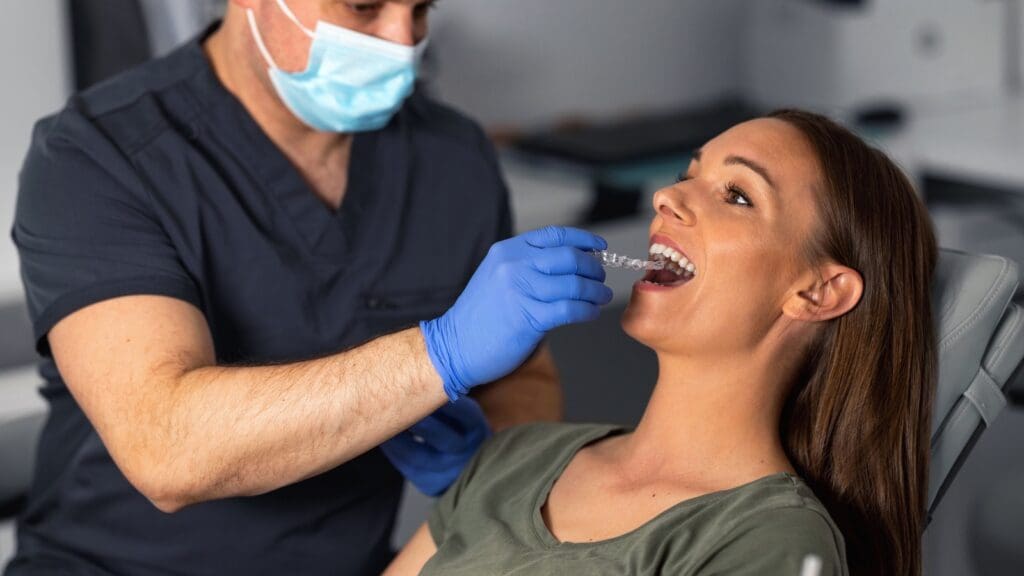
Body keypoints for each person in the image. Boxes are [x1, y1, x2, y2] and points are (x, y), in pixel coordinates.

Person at [5, 1, 613, 574]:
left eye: (421, 9)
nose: (404, 43)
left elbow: (522, 378)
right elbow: (166, 448)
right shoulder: (98, 155)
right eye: (363, 7)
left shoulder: (452, 159)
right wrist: (437, 355)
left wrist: (496, 457)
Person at [386, 109, 938, 576]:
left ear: (819, 291)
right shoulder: (515, 458)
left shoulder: (768, 542)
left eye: (738, 196)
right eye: (686, 174)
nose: (666, 195)